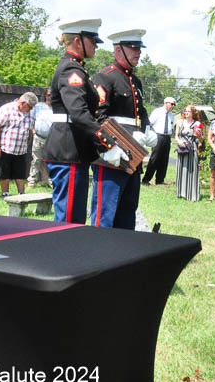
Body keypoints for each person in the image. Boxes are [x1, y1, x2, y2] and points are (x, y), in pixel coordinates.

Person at [45, 19, 119, 224]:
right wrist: (107, 142)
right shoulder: (71, 70)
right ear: (78, 41)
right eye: (92, 41)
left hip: (73, 150)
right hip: (68, 150)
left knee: (75, 219)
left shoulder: (76, 68)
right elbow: (78, 113)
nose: (96, 46)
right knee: (68, 220)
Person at [91, 29, 156, 229]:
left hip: (133, 156)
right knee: (105, 215)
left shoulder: (135, 81)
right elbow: (98, 117)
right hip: (112, 154)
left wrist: (147, 129)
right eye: (133, 48)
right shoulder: (104, 77)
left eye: (139, 48)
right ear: (118, 50)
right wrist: (115, 143)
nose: (139, 52)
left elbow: (140, 112)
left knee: (127, 213)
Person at [0, 92, 38, 198]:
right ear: (23, 103)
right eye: (30, 107)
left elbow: (30, 131)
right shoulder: (6, 109)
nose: (31, 109)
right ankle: (5, 193)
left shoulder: (31, 113)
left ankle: (21, 193)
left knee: (20, 173)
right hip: (5, 147)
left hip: (21, 149)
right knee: (4, 171)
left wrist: (26, 145)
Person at [142, 97, 176, 186]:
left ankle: (160, 180)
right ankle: (146, 180)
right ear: (165, 103)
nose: (173, 106)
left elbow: (171, 127)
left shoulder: (171, 115)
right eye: (171, 104)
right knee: (154, 158)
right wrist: (149, 135)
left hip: (167, 137)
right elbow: (149, 123)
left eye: (174, 105)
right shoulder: (157, 112)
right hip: (158, 136)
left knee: (164, 159)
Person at [175, 104, 203, 201]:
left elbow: (201, 140)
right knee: (181, 169)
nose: (186, 113)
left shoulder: (197, 124)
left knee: (192, 170)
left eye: (188, 111)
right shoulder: (179, 122)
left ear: (193, 113)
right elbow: (176, 136)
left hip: (192, 148)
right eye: (185, 111)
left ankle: (192, 194)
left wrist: (198, 135)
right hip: (182, 148)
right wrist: (179, 141)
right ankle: (181, 193)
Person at [28, 88, 52, 188]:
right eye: (49, 95)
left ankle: (51, 182)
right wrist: (32, 130)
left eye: (52, 95)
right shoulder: (38, 107)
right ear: (45, 95)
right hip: (38, 137)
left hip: (52, 139)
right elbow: (30, 119)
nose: (50, 97)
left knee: (51, 161)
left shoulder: (58, 108)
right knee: (36, 160)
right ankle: (32, 181)